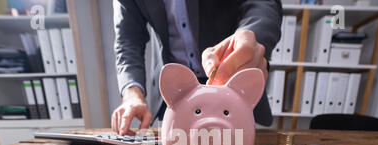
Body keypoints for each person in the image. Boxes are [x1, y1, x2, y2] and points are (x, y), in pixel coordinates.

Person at [112, 0, 283, 135]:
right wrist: (132, 93)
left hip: (230, 80)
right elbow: (128, 40)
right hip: (174, 93)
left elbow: (262, 4)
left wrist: (253, 34)